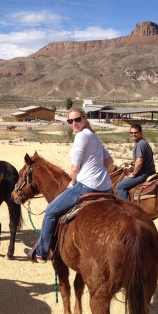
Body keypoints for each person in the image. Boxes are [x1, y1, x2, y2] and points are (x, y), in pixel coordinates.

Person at [25, 107, 114, 264]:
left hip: (86, 186)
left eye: (77, 119)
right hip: (106, 187)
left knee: (51, 211)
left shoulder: (81, 136)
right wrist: (100, 174)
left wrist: (73, 182)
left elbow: (74, 168)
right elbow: (109, 161)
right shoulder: (93, 135)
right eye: (70, 121)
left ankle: (41, 252)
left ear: (85, 119)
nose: (74, 123)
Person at [116, 124, 155, 200]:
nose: (133, 134)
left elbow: (139, 162)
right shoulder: (143, 142)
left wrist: (133, 174)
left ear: (141, 133)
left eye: (136, 133)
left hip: (143, 173)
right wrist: (133, 161)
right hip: (150, 170)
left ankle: (127, 209)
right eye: (132, 133)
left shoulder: (140, 144)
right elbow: (140, 159)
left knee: (120, 187)